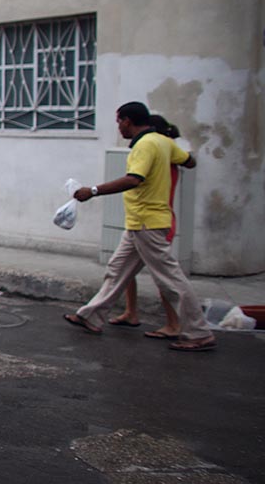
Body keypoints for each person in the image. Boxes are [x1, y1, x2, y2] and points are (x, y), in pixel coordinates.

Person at [63, 102, 216, 352]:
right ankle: (91, 316)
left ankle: (198, 332)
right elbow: (189, 161)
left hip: (148, 222)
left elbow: (134, 179)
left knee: (170, 279)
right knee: (117, 269)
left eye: (119, 122)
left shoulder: (145, 145)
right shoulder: (164, 142)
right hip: (139, 222)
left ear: (127, 120)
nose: (119, 127)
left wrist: (92, 191)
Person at [108, 114, 185, 338]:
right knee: (124, 269)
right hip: (141, 220)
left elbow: (135, 179)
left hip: (154, 222)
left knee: (163, 275)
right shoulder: (160, 153)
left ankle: (174, 324)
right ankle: (131, 312)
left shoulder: (162, 156)